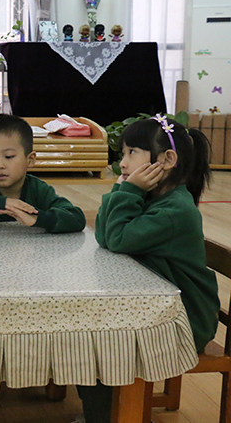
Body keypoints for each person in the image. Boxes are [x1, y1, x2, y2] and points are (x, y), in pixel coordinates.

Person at [76, 116, 219, 423]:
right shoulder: (155, 197)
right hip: (158, 309)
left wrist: (126, 191)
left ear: (167, 160)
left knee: (95, 348)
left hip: (185, 320)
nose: (122, 162)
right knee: (89, 340)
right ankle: (108, 414)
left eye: (132, 153)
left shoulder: (174, 210)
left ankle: (110, 417)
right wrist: (124, 191)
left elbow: (115, 238)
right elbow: (104, 233)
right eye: (122, 153)